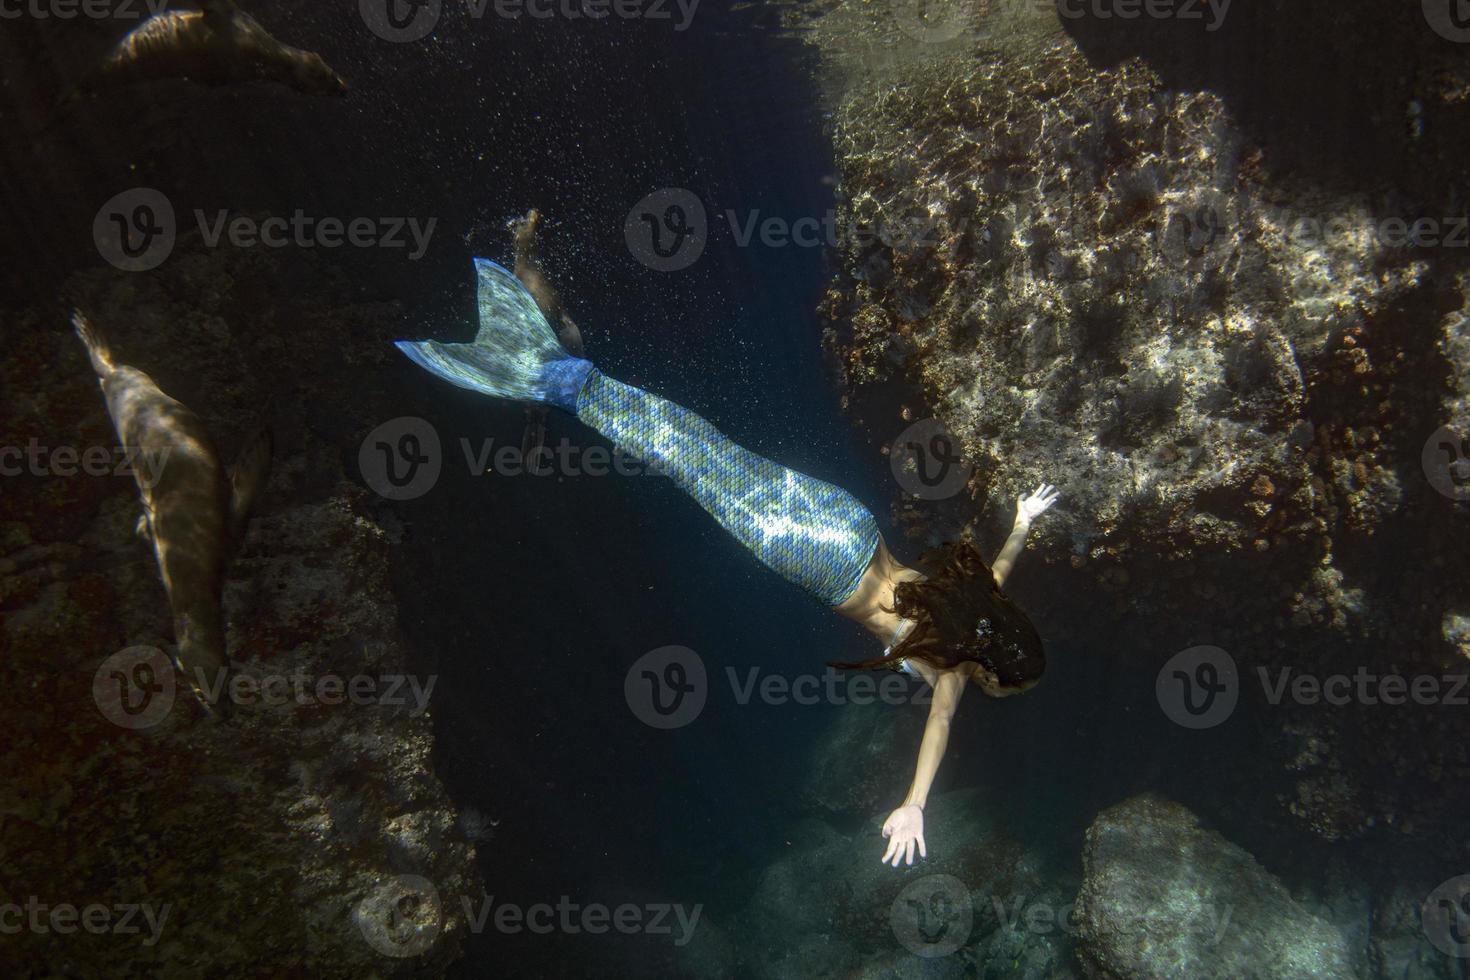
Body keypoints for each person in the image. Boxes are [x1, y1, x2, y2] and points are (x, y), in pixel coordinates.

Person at [395, 248, 1058, 866]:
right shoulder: (953, 669)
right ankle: (556, 379)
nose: (995, 693)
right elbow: (937, 729)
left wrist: (1024, 520)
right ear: (988, 668)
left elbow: (1003, 567)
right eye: (1004, 685)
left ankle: (571, 374)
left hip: (846, 519)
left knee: (710, 449)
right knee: (691, 468)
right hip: (817, 560)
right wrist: (913, 805)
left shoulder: (979, 601)